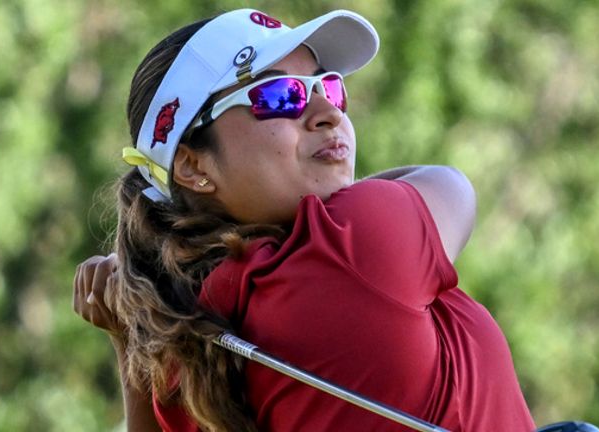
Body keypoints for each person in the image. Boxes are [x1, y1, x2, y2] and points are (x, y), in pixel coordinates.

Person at [73, 8, 536, 432]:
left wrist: (129, 346)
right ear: (194, 167)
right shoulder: (355, 243)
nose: (328, 113)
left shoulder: (186, 339)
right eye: (278, 96)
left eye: (327, 86)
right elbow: (451, 184)